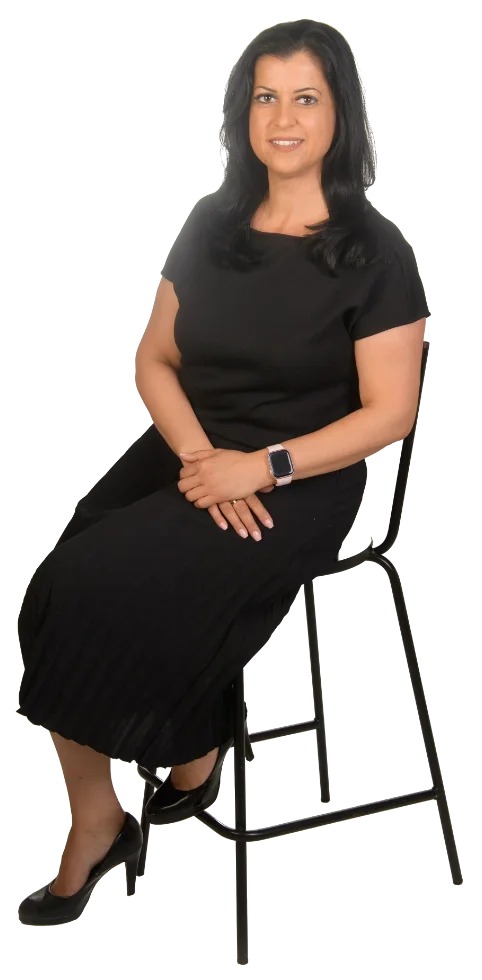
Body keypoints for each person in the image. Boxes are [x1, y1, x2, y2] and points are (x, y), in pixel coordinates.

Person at [16, 19, 428, 926]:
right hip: (200, 446)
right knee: (61, 571)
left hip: (304, 477)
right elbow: (155, 360)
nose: (283, 118)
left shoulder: (374, 252)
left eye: (305, 98)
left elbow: (390, 415)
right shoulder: (212, 227)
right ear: (242, 113)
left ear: (341, 113)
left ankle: (138, 789)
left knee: (82, 582)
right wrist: (207, 459)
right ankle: (156, 771)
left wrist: (263, 468)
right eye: (265, 97)